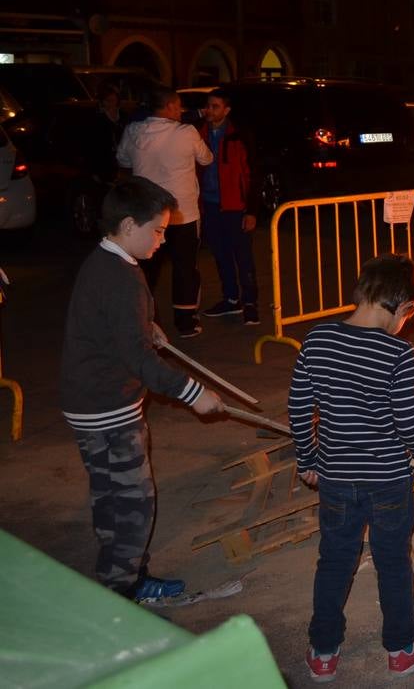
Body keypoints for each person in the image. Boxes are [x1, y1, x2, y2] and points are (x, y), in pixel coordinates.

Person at [57, 176, 224, 602]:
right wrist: (194, 393)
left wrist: (145, 326)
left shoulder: (107, 263)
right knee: (134, 505)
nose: (163, 240)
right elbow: (139, 362)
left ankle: (124, 576)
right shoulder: (120, 278)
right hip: (107, 406)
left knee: (112, 498)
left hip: (88, 401)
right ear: (129, 225)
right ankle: (123, 594)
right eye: (159, 230)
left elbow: (111, 324)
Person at [287, 253, 414, 681]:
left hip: (336, 478)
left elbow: (299, 407)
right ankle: (401, 648)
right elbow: (410, 421)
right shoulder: (399, 354)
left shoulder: (316, 340)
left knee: (334, 560)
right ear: (400, 306)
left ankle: (322, 653)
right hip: (390, 482)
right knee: (393, 562)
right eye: (408, 314)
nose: (405, 324)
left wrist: (308, 459)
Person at [117, 84, 213, 338]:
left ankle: (147, 322)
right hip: (182, 212)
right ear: (170, 106)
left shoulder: (134, 131)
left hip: (147, 213)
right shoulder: (186, 132)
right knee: (185, 266)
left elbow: (123, 160)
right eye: (179, 105)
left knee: (147, 269)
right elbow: (206, 158)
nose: (181, 110)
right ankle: (186, 321)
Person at [197, 88, 261, 325]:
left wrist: (252, 210)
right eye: (208, 106)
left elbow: (253, 173)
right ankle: (231, 299)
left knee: (243, 256)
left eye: (215, 106)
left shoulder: (240, 135)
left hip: (235, 206)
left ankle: (251, 303)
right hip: (211, 205)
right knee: (221, 254)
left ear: (227, 109)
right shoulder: (198, 133)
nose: (209, 111)